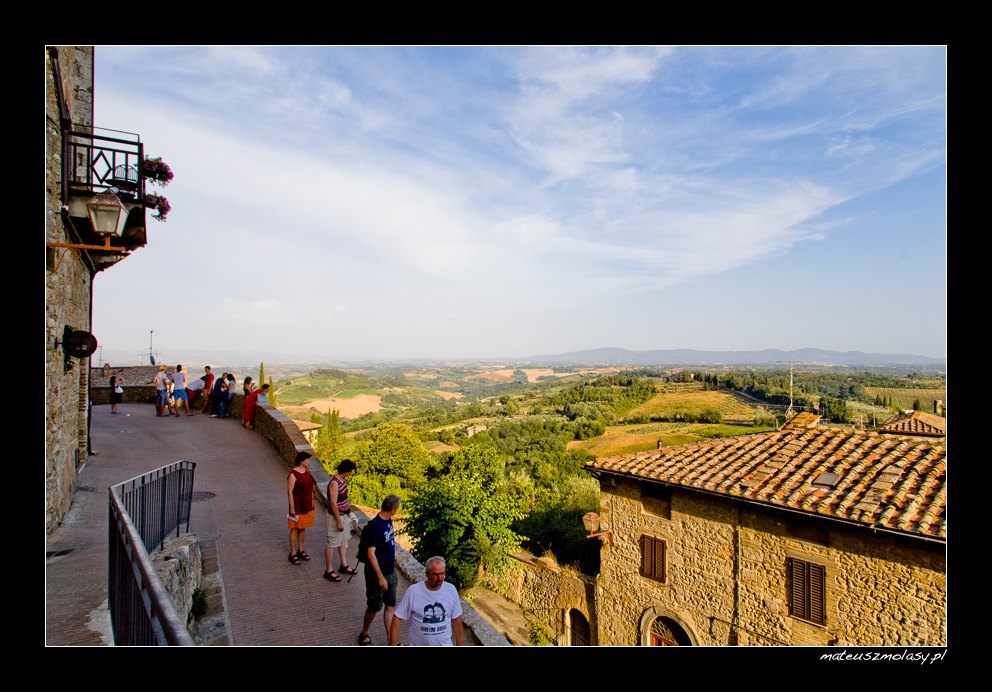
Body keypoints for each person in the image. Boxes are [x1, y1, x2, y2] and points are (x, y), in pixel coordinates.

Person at [389, 556, 464, 646]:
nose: (440, 578)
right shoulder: (413, 592)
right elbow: (397, 617)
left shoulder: (451, 589)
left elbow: (457, 619)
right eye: (435, 574)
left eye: (442, 573)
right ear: (427, 574)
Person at [358, 494, 401, 646]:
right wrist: (380, 577)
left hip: (390, 572)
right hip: (377, 576)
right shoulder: (375, 526)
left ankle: (392, 641)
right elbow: (371, 553)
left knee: (390, 605)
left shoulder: (388, 520)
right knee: (374, 607)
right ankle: (364, 633)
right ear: (393, 509)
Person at [323, 459, 359, 582]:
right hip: (335, 516)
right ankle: (328, 570)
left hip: (343, 515)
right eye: (350, 471)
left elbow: (343, 500)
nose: (351, 473)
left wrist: (348, 512)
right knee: (332, 542)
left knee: (343, 540)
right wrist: (338, 521)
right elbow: (333, 504)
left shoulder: (342, 481)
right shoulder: (334, 483)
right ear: (346, 471)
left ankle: (343, 565)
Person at [287, 451, 316, 565]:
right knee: (294, 529)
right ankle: (293, 553)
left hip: (307, 505)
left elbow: (310, 488)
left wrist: (312, 501)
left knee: (303, 528)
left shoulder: (307, 471)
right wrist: (292, 508)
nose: (309, 462)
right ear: (302, 461)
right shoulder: (293, 474)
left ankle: (301, 549)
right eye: (307, 460)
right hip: (297, 505)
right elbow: (289, 492)